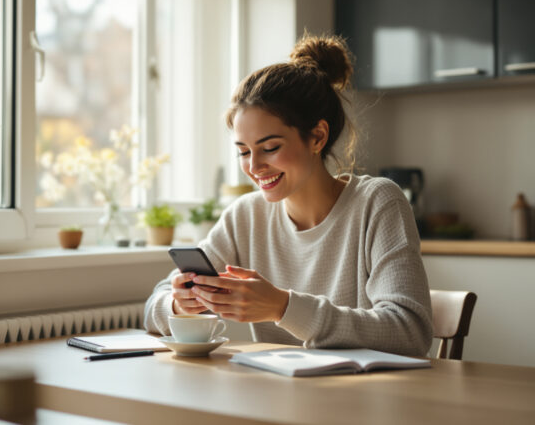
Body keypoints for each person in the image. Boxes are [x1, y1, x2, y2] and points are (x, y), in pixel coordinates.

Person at [144, 34, 432, 356]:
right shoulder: (246, 215)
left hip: (360, 397)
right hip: (274, 396)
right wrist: (178, 303)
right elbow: (152, 308)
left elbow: (410, 332)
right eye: (243, 152)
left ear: (317, 137)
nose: (254, 166)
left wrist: (283, 307)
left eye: (270, 148)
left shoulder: (377, 203)